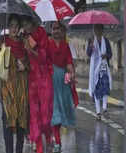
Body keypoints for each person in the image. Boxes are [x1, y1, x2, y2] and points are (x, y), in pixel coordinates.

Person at [0, 15, 29, 153]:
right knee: (8, 118)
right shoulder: (2, 42)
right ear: (8, 27)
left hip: (21, 86)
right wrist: (3, 53)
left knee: (21, 118)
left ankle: (19, 150)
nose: (14, 29)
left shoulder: (24, 43)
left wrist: (24, 65)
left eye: (16, 26)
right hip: (7, 87)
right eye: (12, 26)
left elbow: (32, 59)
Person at [21, 17, 54, 153]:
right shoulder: (24, 36)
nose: (25, 27)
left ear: (32, 22)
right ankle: (39, 146)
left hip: (44, 78)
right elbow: (23, 57)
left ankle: (48, 135)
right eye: (23, 25)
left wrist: (31, 49)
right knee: (34, 115)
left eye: (26, 23)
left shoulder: (42, 34)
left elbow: (44, 57)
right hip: (32, 79)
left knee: (45, 116)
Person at [49, 21, 76, 153]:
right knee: (55, 112)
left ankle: (55, 137)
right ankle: (57, 141)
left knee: (61, 111)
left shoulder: (66, 46)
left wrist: (71, 73)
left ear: (61, 30)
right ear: (51, 31)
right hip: (50, 81)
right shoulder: (47, 44)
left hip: (63, 83)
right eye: (53, 29)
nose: (56, 31)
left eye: (58, 28)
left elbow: (69, 63)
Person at [87, 24, 112, 120]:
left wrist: (106, 55)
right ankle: (98, 112)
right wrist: (90, 47)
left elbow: (110, 54)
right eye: (95, 29)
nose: (97, 30)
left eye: (99, 29)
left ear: (102, 30)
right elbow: (88, 53)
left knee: (105, 87)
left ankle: (105, 108)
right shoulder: (91, 40)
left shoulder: (106, 41)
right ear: (94, 30)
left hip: (104, 68)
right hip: (94, 69)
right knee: (97, 89)